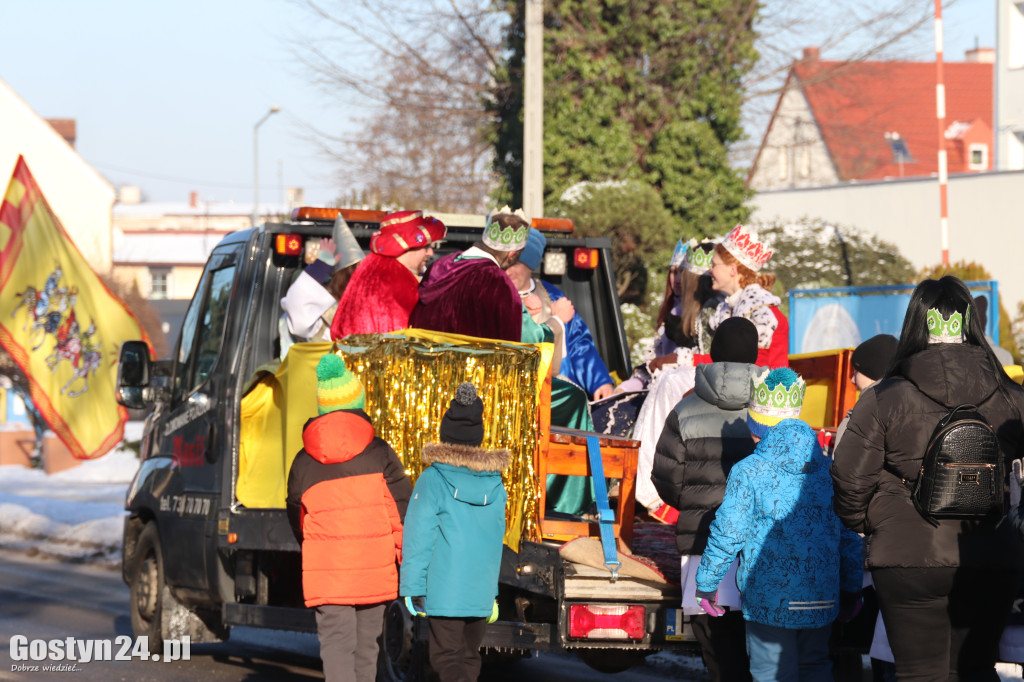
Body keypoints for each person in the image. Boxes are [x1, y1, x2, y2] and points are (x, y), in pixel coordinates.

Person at [831, 276, 1024, 681]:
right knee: (974, 669)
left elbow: (849, 481)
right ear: (971, 322)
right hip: (990, 553)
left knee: (919, 673)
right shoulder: (1012, 396)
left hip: (907, 555)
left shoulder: (884, 397)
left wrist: (878, 523)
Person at [696, 367, 863, 682]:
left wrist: (707, 583)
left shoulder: (749, 470)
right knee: (815, 667)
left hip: (768, 600)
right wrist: (852, 590)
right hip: (822, 596)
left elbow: (729, 532)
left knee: (772, 673)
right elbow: (849, 535)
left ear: (756, 428)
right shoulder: (830, 470)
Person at [286, 353, 412, 682]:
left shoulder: (302, 461)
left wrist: (313, 545)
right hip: (375, 568)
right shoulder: (380, 452)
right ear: (358, 404)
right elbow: (400, 510)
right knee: (368, 647)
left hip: (328, 573)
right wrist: (406, 560)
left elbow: (296, 516)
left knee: (336, 647)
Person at [650, 316, 761, 682]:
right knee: (759, 647)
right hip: (758, 546)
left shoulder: (684, 409)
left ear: (712, 353)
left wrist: (695, 504)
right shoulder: (772, 412)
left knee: (716, 649)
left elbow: (666, 478)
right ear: (755, 355)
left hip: (700, 542)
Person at [400, 382, 509, 682]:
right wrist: (493, 592)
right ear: (478, 435)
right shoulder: (496, 484)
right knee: (468, 658)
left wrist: (412, 589)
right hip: (480, 593)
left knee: (446, 659)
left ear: (445, 434)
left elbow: (418, 539)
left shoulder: (432, 479)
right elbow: (494, 541)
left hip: (444, 591)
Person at [623, 238, 720, 521]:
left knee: (667, 384)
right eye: (673, 272)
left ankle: (648, 486)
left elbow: (714, 357)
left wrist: (676, 362)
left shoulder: (712, 311)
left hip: (700, 383)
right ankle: (634, 483)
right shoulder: (676, 315)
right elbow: (649, 364)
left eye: (683, 274)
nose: (678, 280)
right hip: (663, 382)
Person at [506, 228, 615, 401]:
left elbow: (578, 343)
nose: (508, 271)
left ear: (530, 265)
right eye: (505, 263)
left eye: (515, 264)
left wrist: (599, 381)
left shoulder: (551, 295)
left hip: (557, 394)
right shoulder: (494, 295)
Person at [410, 207, 529, 342]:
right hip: (467, 362)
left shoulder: (439, 266)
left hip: (425, 359)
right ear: (512, 253)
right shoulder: (496, 280)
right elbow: (511, 344)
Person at [330, 210, 446, 339]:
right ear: (407, 246)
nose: (430, 253)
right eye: (426, 246)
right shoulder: (392, 279)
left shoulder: (377, 267)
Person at [703, 224, 788, 368]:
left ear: (732, 269)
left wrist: (687, 361)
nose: (709, 271)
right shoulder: (728, 307)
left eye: (714, 265)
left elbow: (756, 367)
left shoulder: (760, 311)